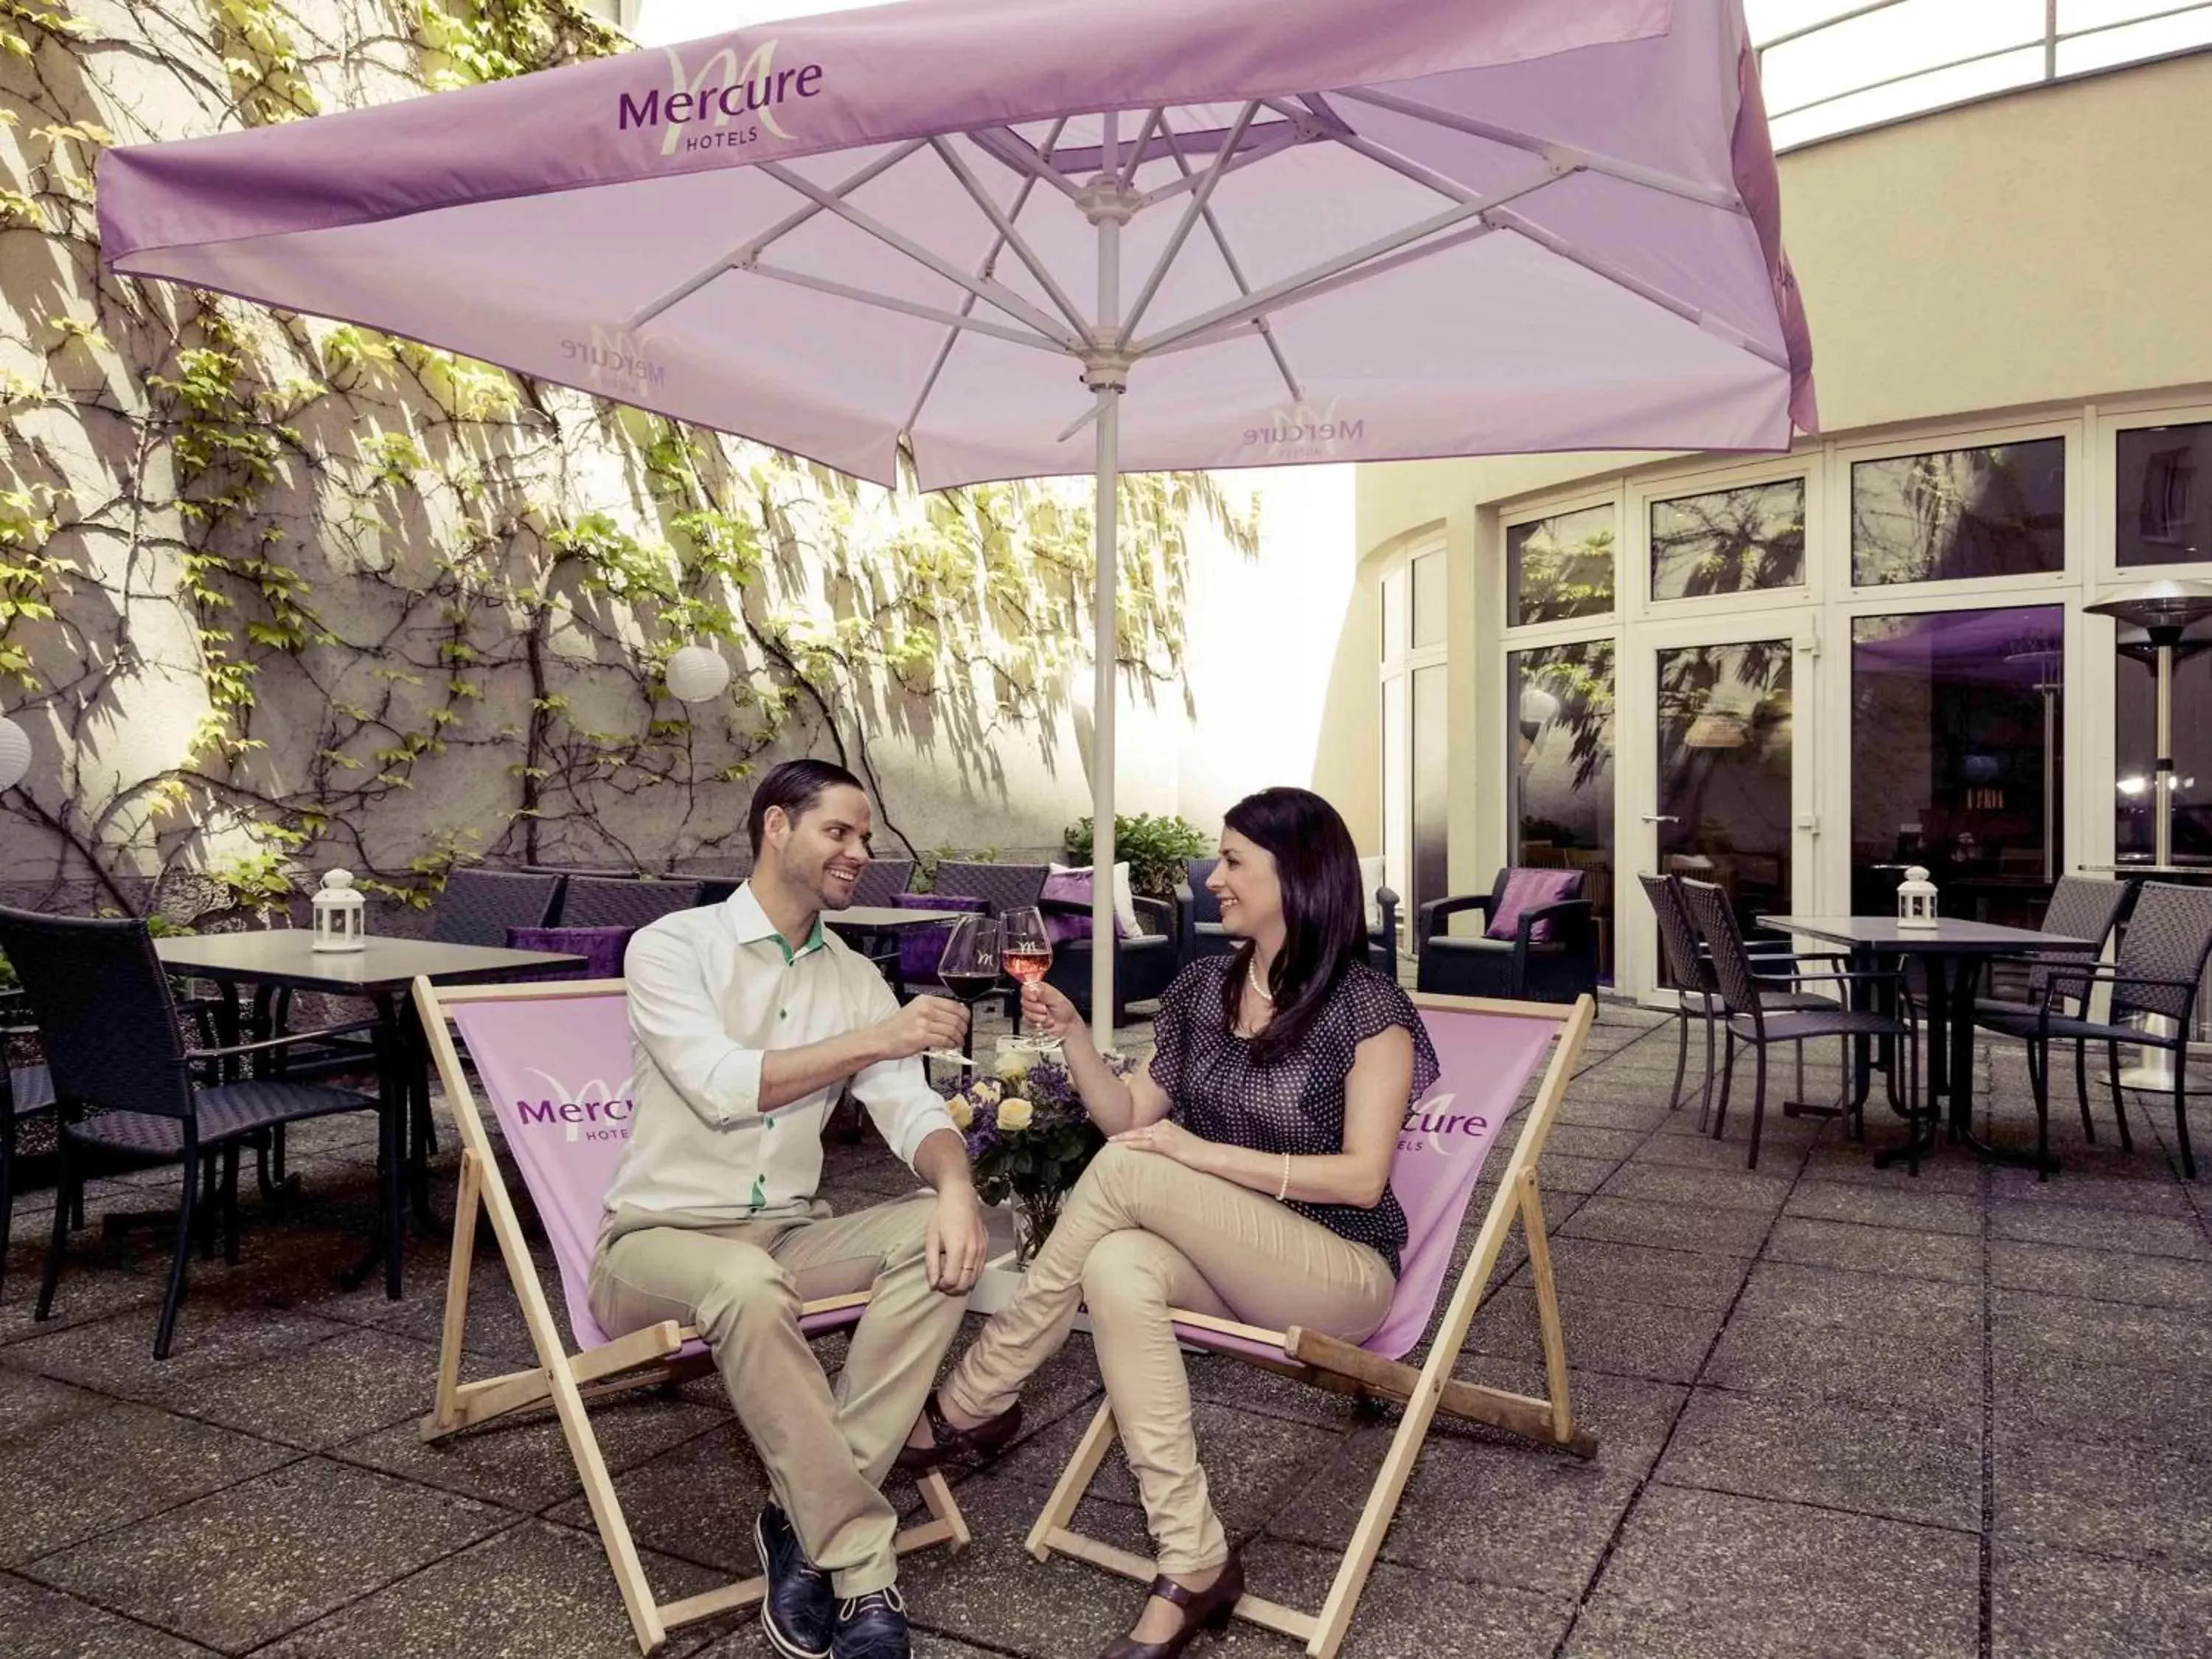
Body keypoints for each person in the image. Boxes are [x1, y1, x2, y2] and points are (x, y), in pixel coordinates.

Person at [919, 787, 1439, 1659]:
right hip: (1232, 1259)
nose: (1214, 877)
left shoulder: (1367, 1009)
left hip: (1340, 1271)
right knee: (1118, 1264)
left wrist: (1201, 1156)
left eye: (1235, 860)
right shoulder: (1206, 987)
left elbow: (1361, 1179)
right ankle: (1193, 1560)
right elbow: (1126, 1117)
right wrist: (1079, 1037)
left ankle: (977, 1394)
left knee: (1133, 1173)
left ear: (1299, 877)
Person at [589, 758, 999, 1659]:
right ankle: (857, 1564)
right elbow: (722, 1086)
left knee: (943, 1247)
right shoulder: (671, 946)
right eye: (839, 832)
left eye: (866, 839)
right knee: (746, 1284)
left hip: (787, 1235)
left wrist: (958, 1188)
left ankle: (798, 1516)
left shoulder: (847, 973)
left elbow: (909, 1106)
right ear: (777, 827)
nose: (860, 853)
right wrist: (884, 1033)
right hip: (656, 1244)